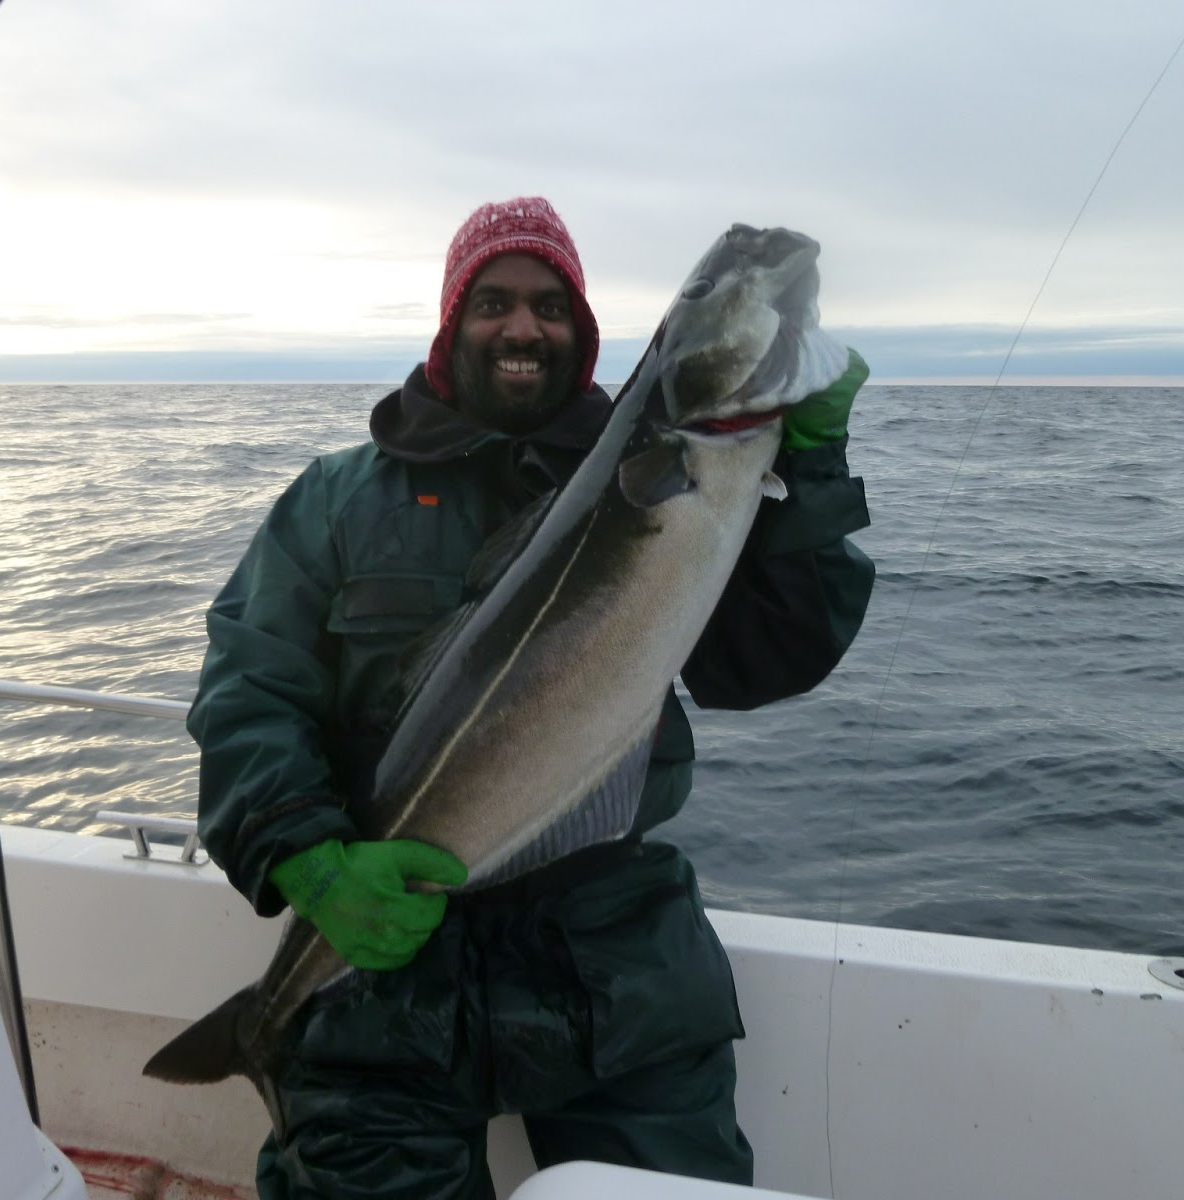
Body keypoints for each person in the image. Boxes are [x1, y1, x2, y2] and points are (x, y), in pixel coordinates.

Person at [191, 197, 874, 1199]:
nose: (523, 328)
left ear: (585, 333)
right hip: (388, 957)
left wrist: (807, 467)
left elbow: (764, 663)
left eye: (551, 307)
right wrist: (300, 850)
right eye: (495, 303)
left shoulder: (669, 473)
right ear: (451, 323)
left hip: (611, 956)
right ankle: (273, 1027)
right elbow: (249, 686)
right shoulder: (336, 502)